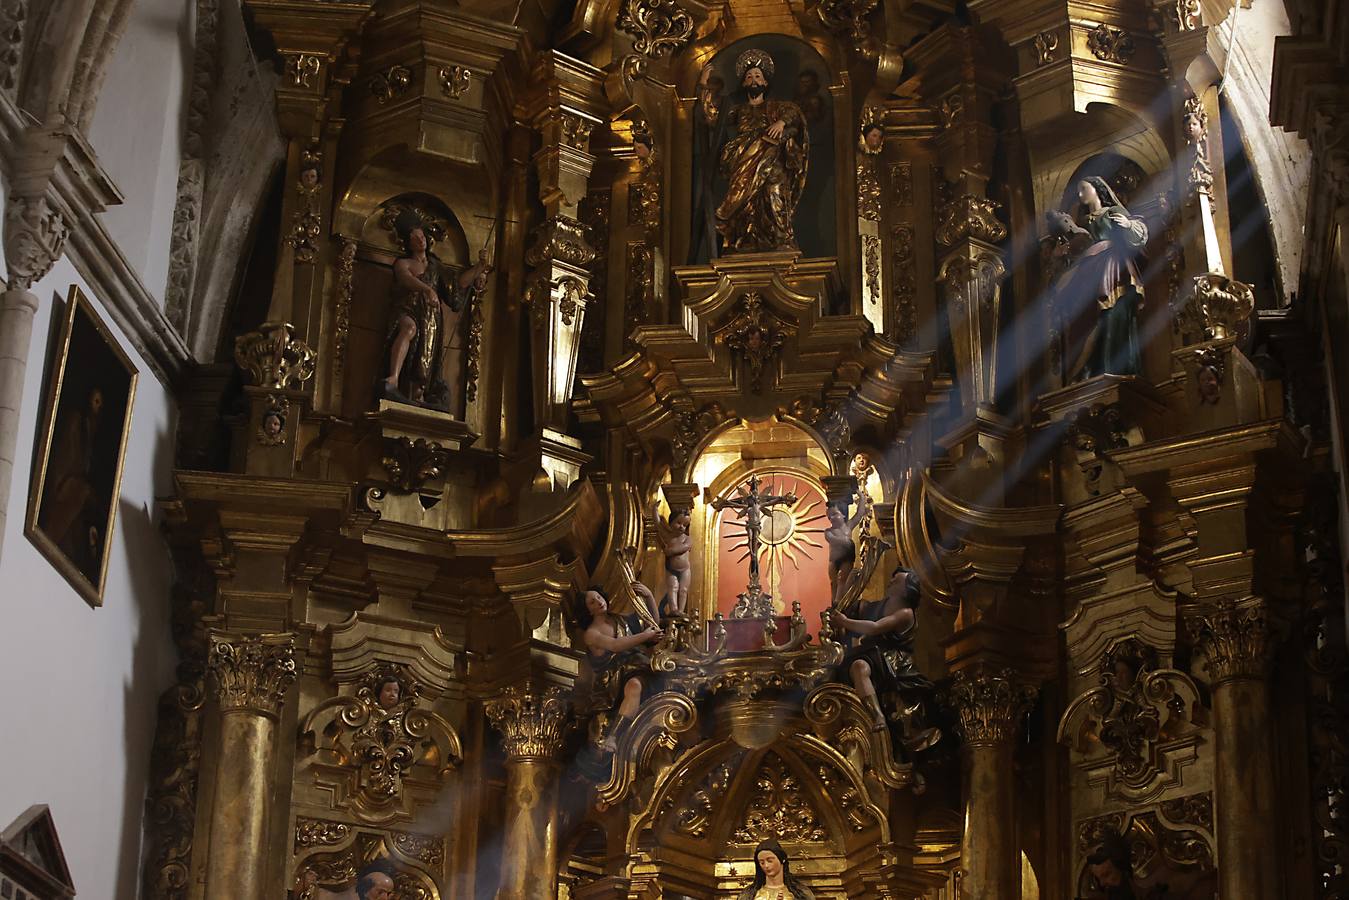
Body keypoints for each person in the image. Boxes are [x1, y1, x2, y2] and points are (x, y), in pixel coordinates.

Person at [696, 49, 810, 254]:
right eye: (749, 77)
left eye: (758, 76)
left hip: (772, 160)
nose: (754, 80)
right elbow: (713, 117)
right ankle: (744, 240)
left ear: (765, 83)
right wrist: (704, 85)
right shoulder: (738, 109)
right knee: (746, 203)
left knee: (773, 195)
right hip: (744, 159)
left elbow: (794, 113)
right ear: (744, 84)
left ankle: (781, 239)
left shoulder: (778, 106)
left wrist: (781, 123)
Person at [381, 220, 491, 411]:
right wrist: (426, 289)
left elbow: (458, 285)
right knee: (408, 328)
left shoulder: (436, 267)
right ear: (408, 242)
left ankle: (418, 395)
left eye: (422, 236)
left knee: (425, 356)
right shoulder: (403, 263)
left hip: (430, 319)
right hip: (408, 308)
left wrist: (480, 267)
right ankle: (393, 378)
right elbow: (405, 279)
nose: (420, 240)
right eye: (415, 238)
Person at [829, 567, 940, 752]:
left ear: (907, 589)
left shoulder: (905, 612)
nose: (890, 582)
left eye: (896, 581)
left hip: (891, 661)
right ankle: (873, 714)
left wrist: (845, 622)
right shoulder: (878, 606)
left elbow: (874, 627)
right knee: (858, 667)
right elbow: (844, 607)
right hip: (870, 655)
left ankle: (880, 717)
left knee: (861, 665)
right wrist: (843, 584)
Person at [1051, 176, 1148, 381]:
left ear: (1097, 189)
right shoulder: (1083, 223)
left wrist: (1128, 225)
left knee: (1110, 313)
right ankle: (1087, 368)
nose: (1080, 195)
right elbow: (1078, 250)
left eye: (1084, 189)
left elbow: (1140, 237)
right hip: (1088, 272)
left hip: (1112, 268)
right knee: (1084, 315)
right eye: (1078, 191)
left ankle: (1111, 364)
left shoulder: (1113, 213)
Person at [575, 585, 662, 752]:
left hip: (636, 669)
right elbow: (615, 645)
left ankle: (616, 735)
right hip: (611, 683)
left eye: (599, 597)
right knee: (632, 686)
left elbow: (652, 624)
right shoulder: (591, 633)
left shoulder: (620, 620)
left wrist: (649, 596)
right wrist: (645, 636)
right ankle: (613, 736)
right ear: (588, 610)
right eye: (592, 602)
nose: (599, 602)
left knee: (634, 685)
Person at [824, 496, 870, 606]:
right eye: (829, 516)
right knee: (833, 581)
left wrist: (862, 497)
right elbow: (832, 539)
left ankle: (839, 602)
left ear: (843, 514)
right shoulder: (828, 531)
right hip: (834, 559)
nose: (832, 518)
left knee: (842, 579)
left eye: (835, 514)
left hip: (846, 557)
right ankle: (834, 602)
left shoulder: (848, 526)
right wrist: (846, 541)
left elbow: (859, 514)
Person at [734, 839, 816, 900]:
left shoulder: (801, 893)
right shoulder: (748, 895)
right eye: (762, 862)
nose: (766, 866)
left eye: (770, 861)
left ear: (782, 859)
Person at [653, 504, 692, 617]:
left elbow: (685, 547)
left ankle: (681, 610)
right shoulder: (668, 536)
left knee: (683, 590)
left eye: (685, 525)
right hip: (671, 568)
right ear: (671, 522)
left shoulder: (687, 538)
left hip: (685, 570)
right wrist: (654, 510)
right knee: (672, 588)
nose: (681, 527)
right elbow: (658, 524)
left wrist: (671, 551)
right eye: (678, 523)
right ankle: (674, 609)